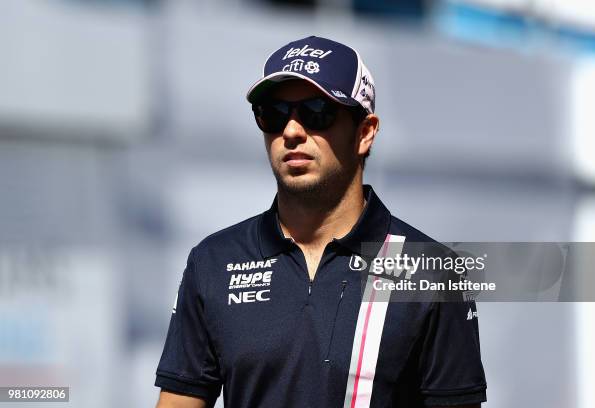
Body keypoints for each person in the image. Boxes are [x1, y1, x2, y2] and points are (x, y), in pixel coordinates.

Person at [154, 35, 487, 408]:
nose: (291, 132)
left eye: (316, 111)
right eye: (273, 113)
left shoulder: (434, 271)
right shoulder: (212, 261)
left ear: (365, 132)